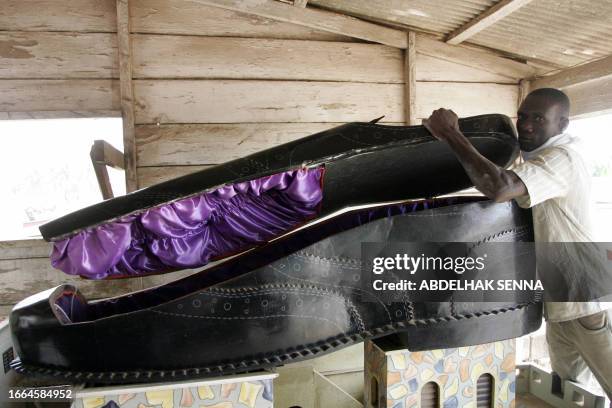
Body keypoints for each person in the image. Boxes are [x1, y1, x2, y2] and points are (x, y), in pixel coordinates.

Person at [422, 88, 612, 399]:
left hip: (586, 299)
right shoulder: (537, 157)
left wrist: (451, 134)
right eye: (522, 116)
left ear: (563, 124)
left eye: (539, 118)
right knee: (568, 392)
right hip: (563, 301)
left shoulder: (561, 159)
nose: (526, 125)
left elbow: (499, 187)